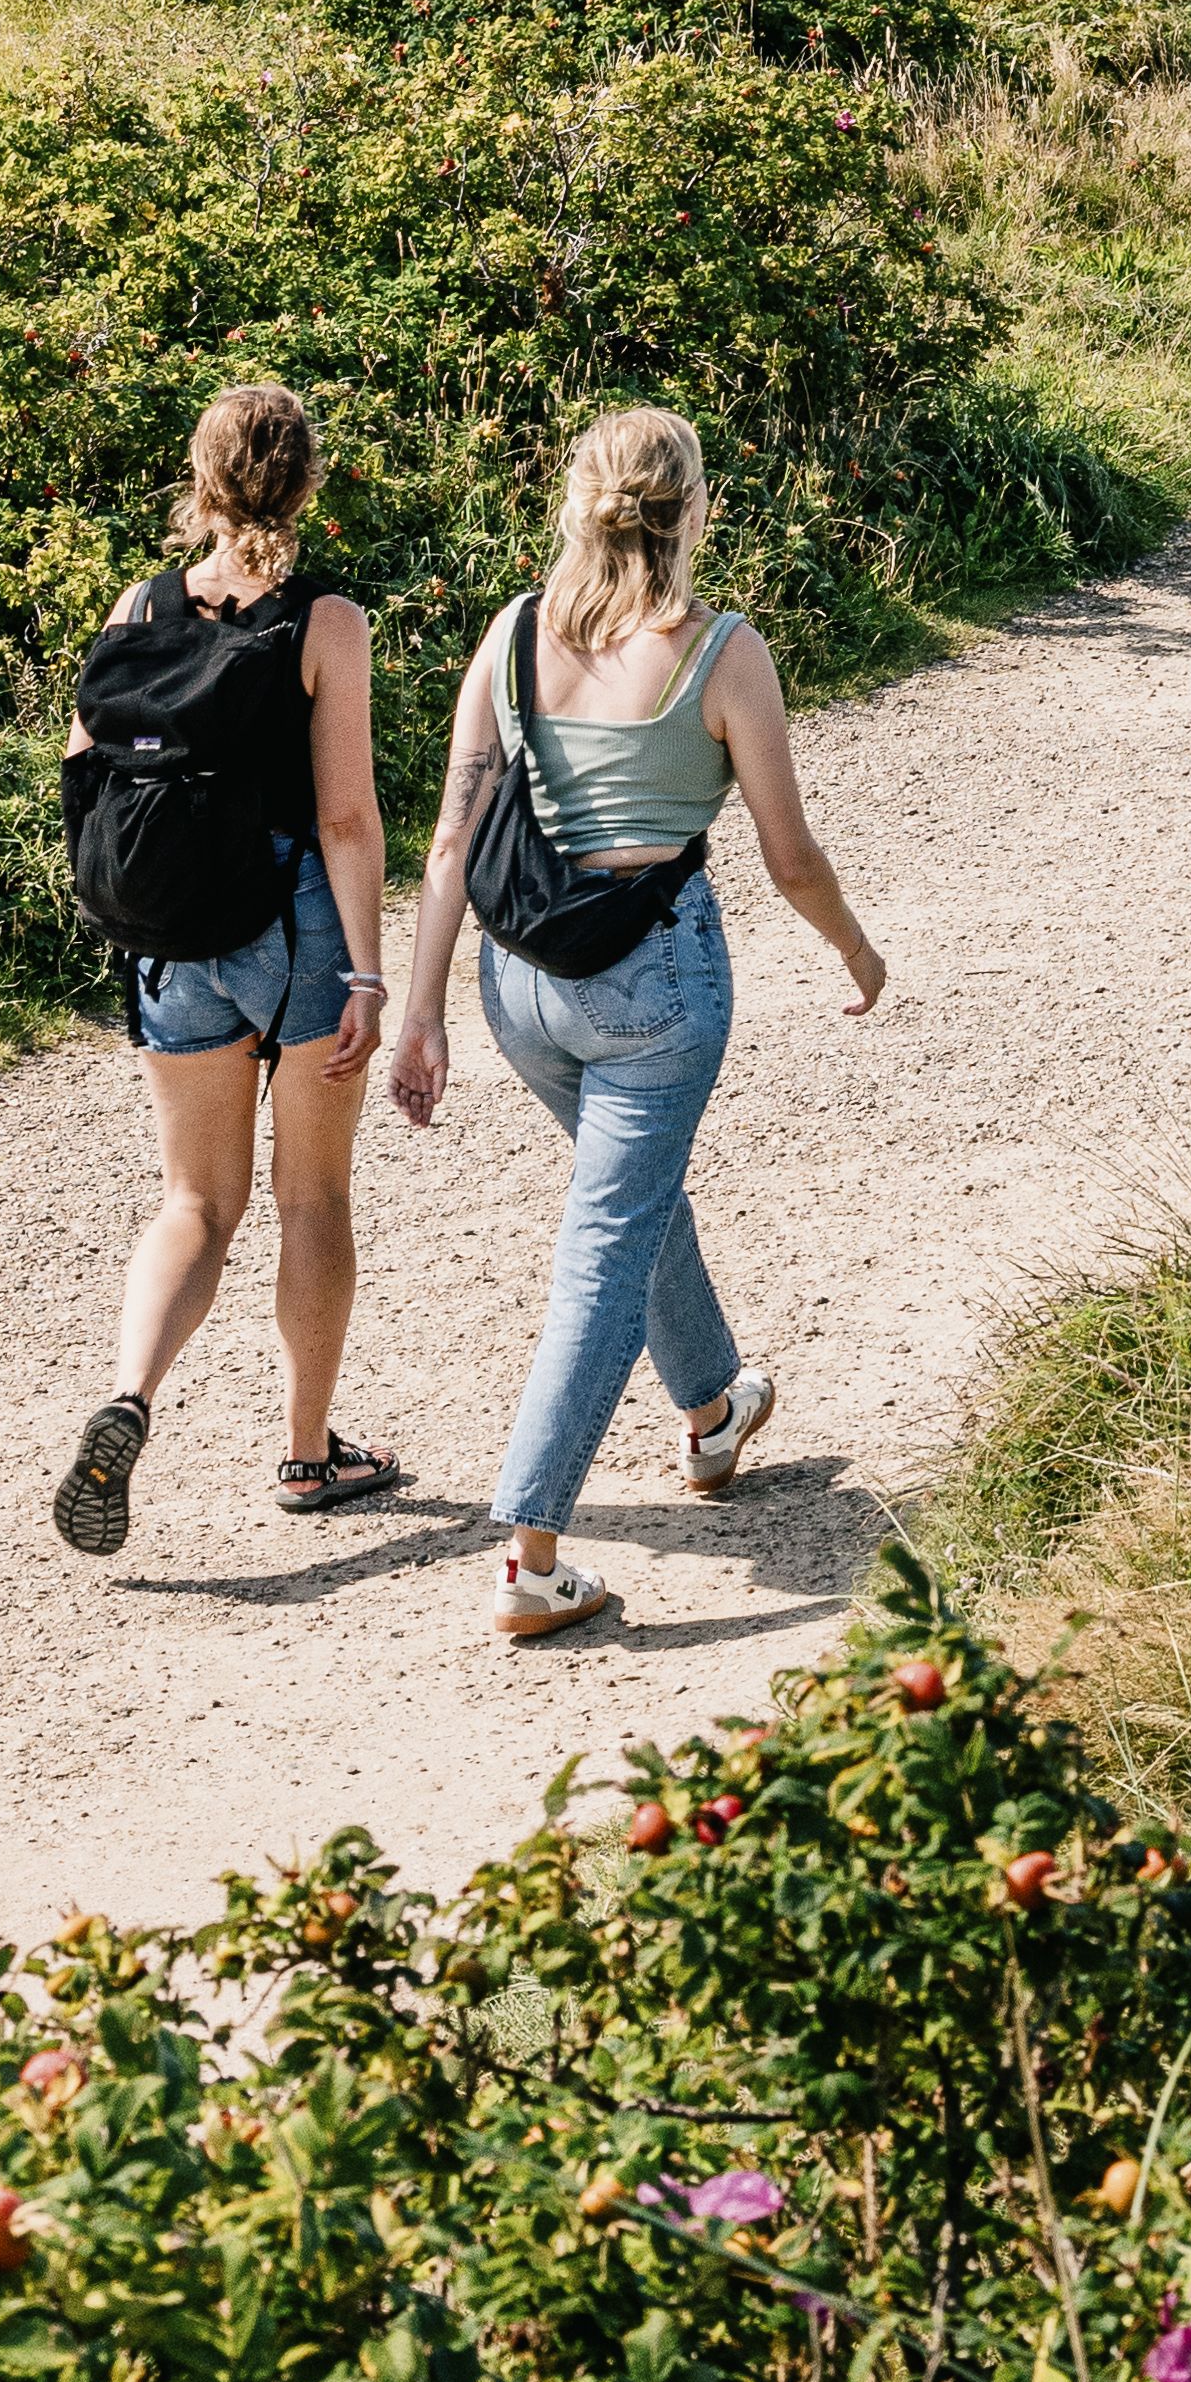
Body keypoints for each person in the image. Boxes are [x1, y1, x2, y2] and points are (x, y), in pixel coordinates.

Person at [390, 402, 889, 1642]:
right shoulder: (723, 652)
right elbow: (788, 854)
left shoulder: (514, 633)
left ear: (579, 502)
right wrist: (856, 947)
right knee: (604, 1244)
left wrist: (423, 1013)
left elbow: (451, 838)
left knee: (632, 1190)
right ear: (694, 508)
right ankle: (530, 1553)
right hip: (652, 984)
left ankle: (713, 1407)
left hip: (520, 984)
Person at [50, 381, 403, 1555]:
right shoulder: (325, 621)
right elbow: (345, 817)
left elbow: (85, 767)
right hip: (294, 931)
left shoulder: (138, 604)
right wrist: (368, 975)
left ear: (200, 482)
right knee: (312, 1195)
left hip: (173, 940)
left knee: (195, 1203)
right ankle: (308, 1452)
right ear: (307, 484)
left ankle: (130, 1393)